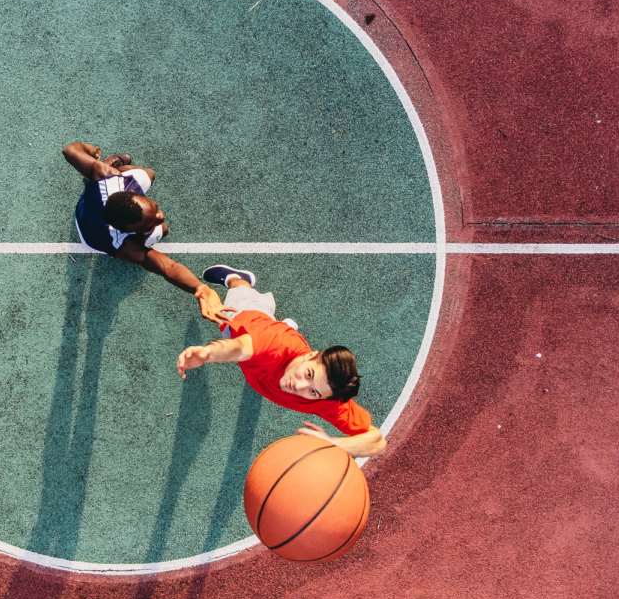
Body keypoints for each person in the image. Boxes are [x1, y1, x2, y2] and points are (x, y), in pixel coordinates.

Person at [175, 264, 387, 456]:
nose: (299, 386)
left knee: (267, 336)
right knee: (228, 318)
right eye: (309, 374)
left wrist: (334, 444)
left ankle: (284, 324)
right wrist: (207, 354)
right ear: (311, 354)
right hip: (251, 319)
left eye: (312, 391)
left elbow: (377, 441)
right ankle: (237, 277)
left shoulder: (326, 399)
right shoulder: (276, 346)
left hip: (268, 358)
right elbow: (239, 348)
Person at [63, 141, 224, 323]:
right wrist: (199, 287)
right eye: (150, 221)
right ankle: (109, 171)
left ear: (134, 195)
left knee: (147, 174)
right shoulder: (123, 244)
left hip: (103, 193)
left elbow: (70, 150)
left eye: (154, 209)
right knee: (162, 231)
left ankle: (108, 164)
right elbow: (168, 267)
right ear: (127, 230)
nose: (160, 215)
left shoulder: (106, 175)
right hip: (90, 232)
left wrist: (91, 152)